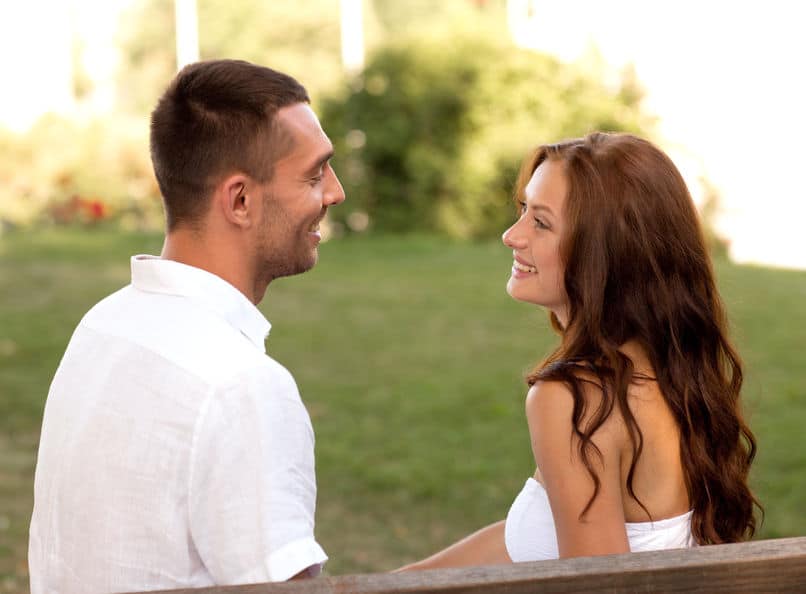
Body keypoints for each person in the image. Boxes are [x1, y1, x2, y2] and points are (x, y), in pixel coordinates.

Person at [29, 59, 345, 593]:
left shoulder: (104, 324)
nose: (334, 193)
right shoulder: (242, 385)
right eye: (315, 174)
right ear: (240, 200)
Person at [400, 132, 760, 569]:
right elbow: (534, 539)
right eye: (523, 211)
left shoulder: (574, 399)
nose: (511, 236)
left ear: (604, 254)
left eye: (541, 223)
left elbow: (599, 584)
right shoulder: (670, 370)